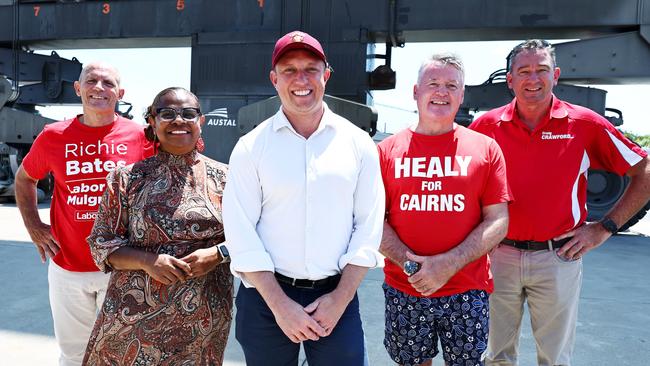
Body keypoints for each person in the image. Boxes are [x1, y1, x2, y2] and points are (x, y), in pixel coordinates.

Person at [469, 39, 650, 366]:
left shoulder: (585, 124)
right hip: (498, 258)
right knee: (495, 357)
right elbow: (464, 187)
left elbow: (645, 172)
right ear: (510, 80)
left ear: (556, 75)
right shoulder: (485, 127)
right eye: (524, 71)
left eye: (541, 70)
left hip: (557, 258)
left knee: (554, 360)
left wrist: (604, 228)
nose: (533, 79)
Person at [222, 30, 384, 366]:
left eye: (311, 69)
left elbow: (368, 227)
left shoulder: (358, 144)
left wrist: (340, 298)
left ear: (326, 75)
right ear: (274, 79)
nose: (301, 79)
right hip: (266, 299)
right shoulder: (251, 148)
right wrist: (280, 306)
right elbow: (240, 232)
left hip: (335, 297)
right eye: (289, 70)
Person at [82, 87, 233, 365]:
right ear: (152, 121)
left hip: (202, 323)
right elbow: (101, 243)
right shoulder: (125, 179)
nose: (179, 120)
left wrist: (216, 254)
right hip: (131, 325)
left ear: (201, 121)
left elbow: (252, 238)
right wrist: (149, 261)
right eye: (167, 113)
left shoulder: (229, 179)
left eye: (188, 113)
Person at [378, 54, 511, 366]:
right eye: (433, 84)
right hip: (406, 288)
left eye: (452, 85)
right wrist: (414, 268)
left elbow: (498, 220)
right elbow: (372, 221)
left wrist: (449, 264)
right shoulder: (385, 152)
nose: (442, 92)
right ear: (415, 91)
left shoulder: (486, 149)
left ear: (462, 95)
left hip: (467, 290)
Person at [14, 62, 150, 366]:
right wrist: (34, 225)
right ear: (78, 88)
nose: (99, 88)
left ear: (120, 93)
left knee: (122, 355)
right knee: (75, 356)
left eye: (108, 83)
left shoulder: (141, 137)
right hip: (68, 269)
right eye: (91, 81)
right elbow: (24, 178)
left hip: (122, 268)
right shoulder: (53, 136)